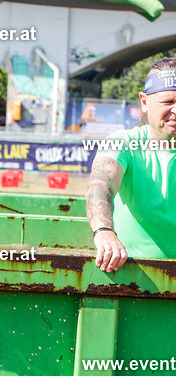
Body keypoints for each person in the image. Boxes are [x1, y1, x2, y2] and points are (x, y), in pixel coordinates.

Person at [87, 57, 176, 272]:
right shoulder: (123, 143)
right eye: (168, 102)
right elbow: (100, 185)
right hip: (134, 280)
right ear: (145, 102)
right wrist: (104, 231)